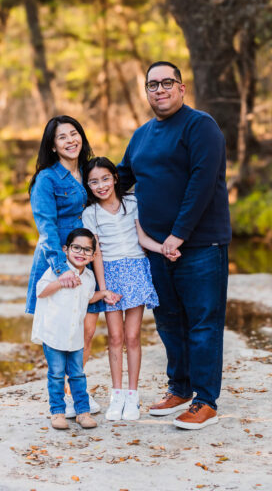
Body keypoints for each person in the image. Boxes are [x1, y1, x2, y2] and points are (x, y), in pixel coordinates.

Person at [117, 61, 231, 430]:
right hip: (155, 249)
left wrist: (176, 236)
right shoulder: (142, 136)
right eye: (153, 84)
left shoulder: (201, 126)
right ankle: (179, 388)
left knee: (202, 323)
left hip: (199, 245)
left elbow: (202, 182)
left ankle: (205, 400)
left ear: (181, 88)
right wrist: (79, 179)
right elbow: (119, 179)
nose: (160, 89)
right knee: (168, 322)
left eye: (167, 82)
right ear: (146, 91)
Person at [81, 157, 174, 421]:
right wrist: (103, 288)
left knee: (133, 337)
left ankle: (132, 396)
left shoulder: (132, 203)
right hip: (110, 274)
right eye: (94, 181)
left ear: (115, 178)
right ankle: (117, 395)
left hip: (135, 270)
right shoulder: (91, 213)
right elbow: (96, 253)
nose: (101, 186)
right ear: (88, 185)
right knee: (115, 337)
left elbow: (142, 238)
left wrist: (163, 248)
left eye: (105, 179)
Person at [25, 115, 107, 417]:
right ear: (53, 145)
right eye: (62, 137)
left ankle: (76, 392)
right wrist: (62, 271)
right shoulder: (47, 179)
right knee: (61, 332)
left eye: (75, 134)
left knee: (85, 332)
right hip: (58, 261)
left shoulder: (89, 172)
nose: (71, 140)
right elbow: (46, 229)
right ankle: (63, 398)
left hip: (88, 258)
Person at [31, 228, 108, 430]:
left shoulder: (90, 277)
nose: (81, 253)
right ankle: (58, 412)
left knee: (77, 375)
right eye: (76, 248)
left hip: (75, 337)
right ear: (65, 249)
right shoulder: (56, 271)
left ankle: (82, 412)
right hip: (54, 334)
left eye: (87, 250)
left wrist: (104, 293)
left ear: (93, 255)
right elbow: (40, 292)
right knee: (56, 374)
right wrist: (60, 281)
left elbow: (87, 298)